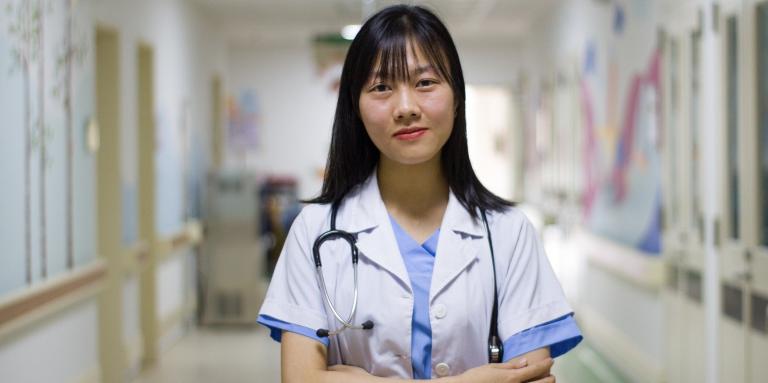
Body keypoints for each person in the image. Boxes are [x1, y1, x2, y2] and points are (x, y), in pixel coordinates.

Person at [257, 4, 582, 382]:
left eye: (425, 83)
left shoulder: (508, 233)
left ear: (457, 96)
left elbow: (531, 377)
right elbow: (299, 380)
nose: (407, 108)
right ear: (355, 109)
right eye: (381, 87)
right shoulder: (314, 231)